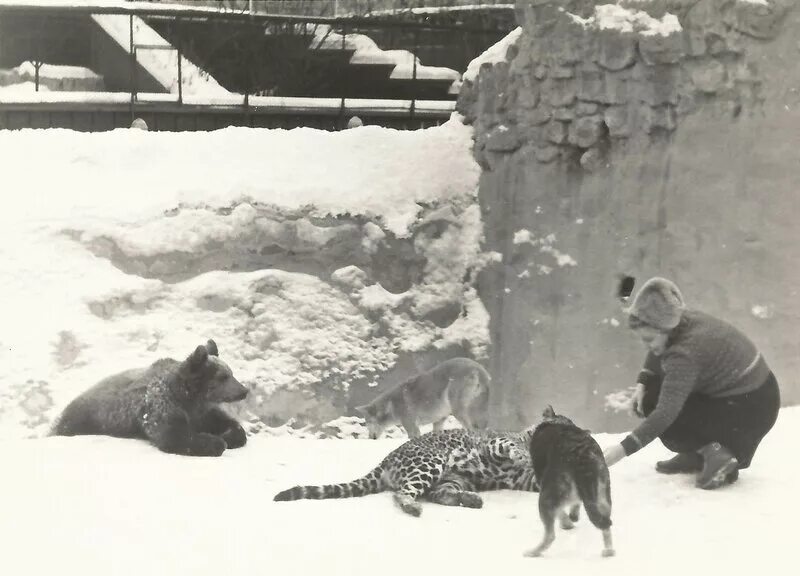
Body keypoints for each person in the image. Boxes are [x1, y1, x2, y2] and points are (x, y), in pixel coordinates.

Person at [602, 277, 780, 489]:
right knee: (651, 393)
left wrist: (621, 450)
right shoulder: (679, 320)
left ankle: (719, 456)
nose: (647, 346)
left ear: (664, 329)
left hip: (751, 408)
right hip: (753, 393)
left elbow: (665, 415)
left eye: (649, 339)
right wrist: (643, 381)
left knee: (660, 409)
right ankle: (699, 454)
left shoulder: (684, 355)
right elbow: (658, 348)